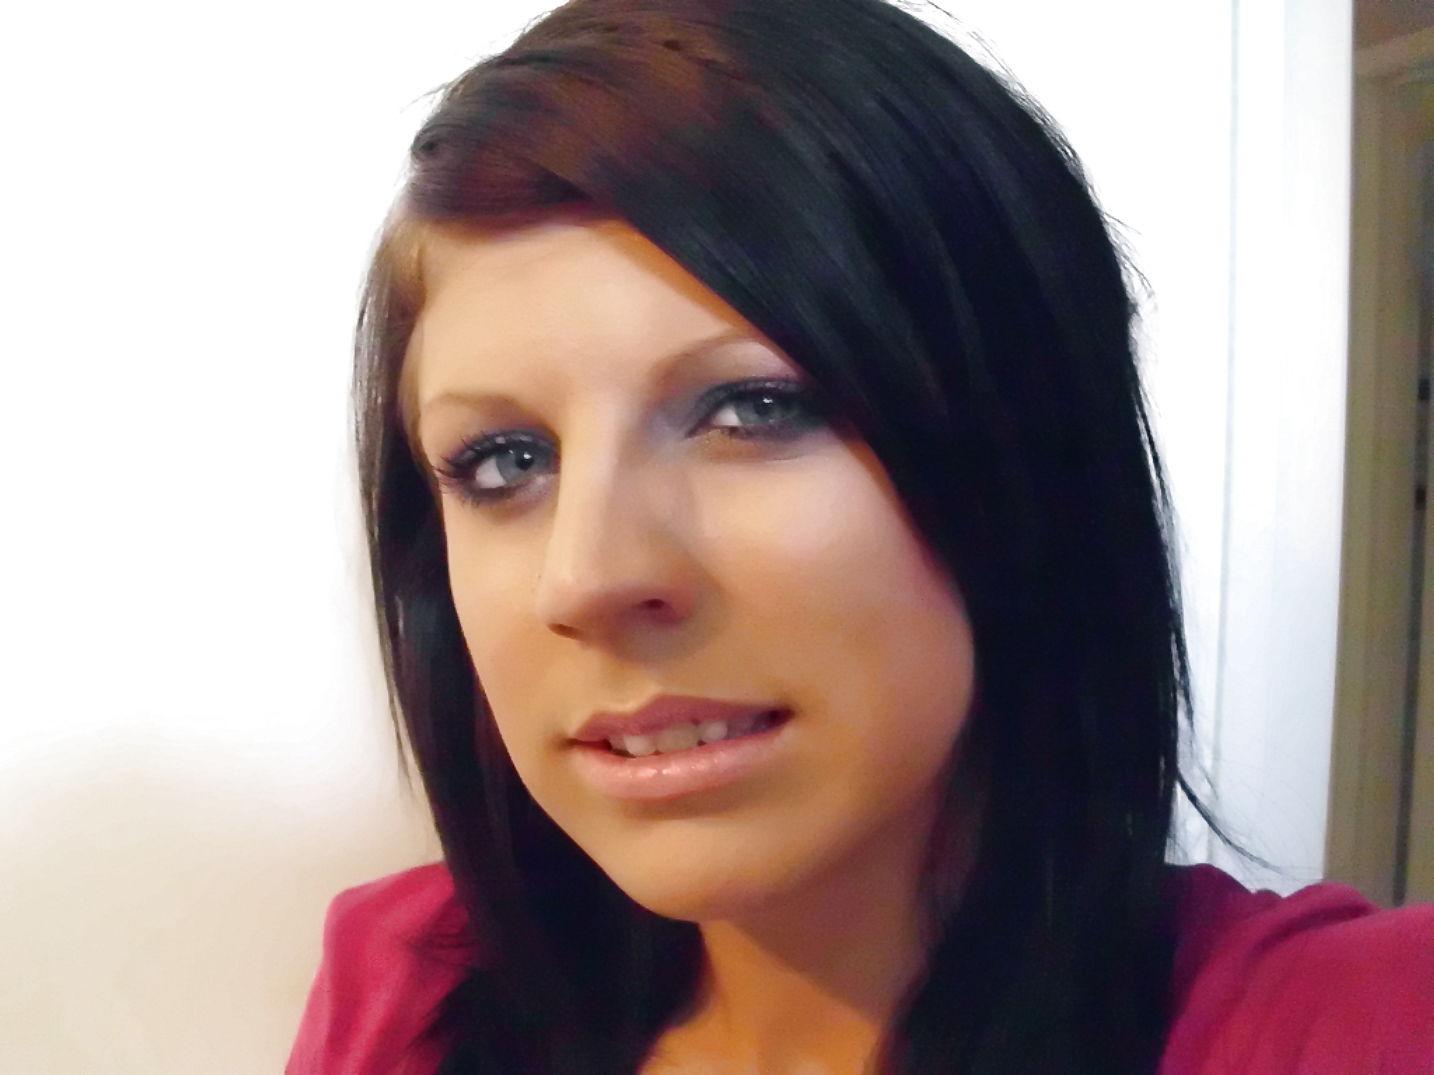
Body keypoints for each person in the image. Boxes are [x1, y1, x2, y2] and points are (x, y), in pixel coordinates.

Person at [287, 0, 1434, 1071]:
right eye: (505, 460)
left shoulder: (1355, 1021)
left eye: (755, 407)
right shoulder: (408, 984)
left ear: (1023, 451)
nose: (588, 576)